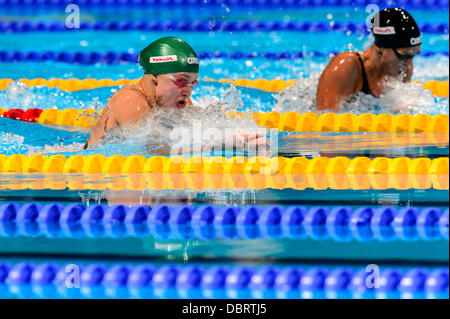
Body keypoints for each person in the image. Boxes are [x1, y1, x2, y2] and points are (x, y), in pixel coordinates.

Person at [316, 8, 422, 112]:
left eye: (413, 55)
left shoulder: (404, 70)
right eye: (402, 54)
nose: (409, 63)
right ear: (380, 46)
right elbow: (324, 120)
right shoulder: (347, 67)